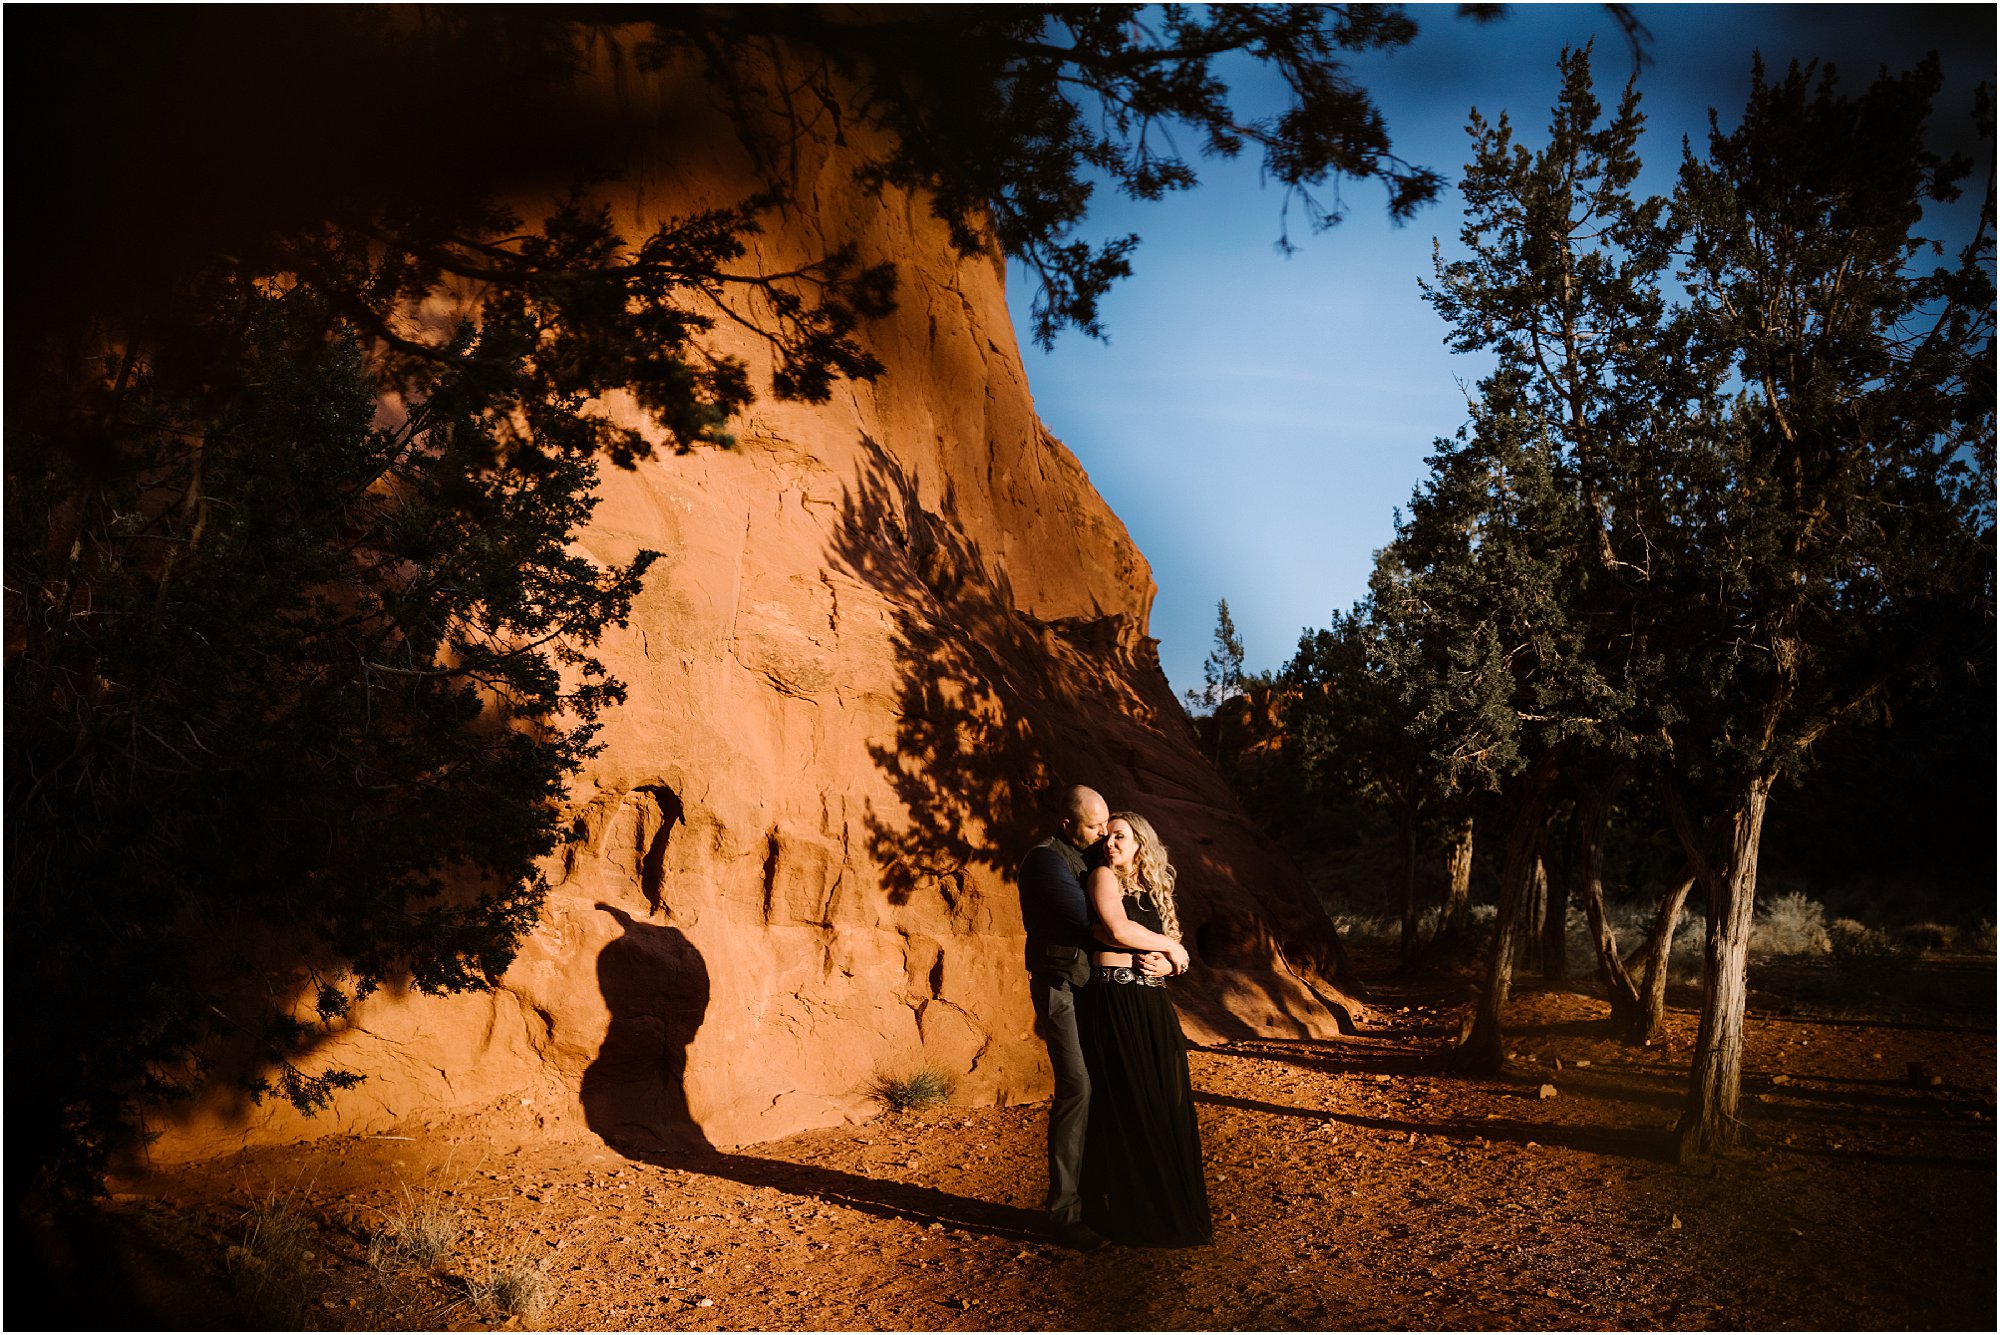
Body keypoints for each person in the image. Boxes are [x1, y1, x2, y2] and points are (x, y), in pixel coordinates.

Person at [1017, 785, 1169, 1251]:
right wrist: (1170, 948)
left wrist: (1168, 962)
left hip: (1100, 992)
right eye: (1093, 826)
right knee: (1078, 1088)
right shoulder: (1047, 861)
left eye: (1107, 825)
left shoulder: (1095, 862)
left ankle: (1106, 1198)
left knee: (1109, 1084)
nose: (1104, 833)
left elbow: (1143, 919)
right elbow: (1098, 922)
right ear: (1066, 824)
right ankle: (1065, 1214)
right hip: (1063, 988)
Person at [1076, 811, 1212, 1247]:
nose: (1110, 843)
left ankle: (1171, 1209)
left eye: (1120, 837)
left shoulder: (1153, 889)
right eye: (1107, 836)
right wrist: (1173, 948)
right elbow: (1116, 929)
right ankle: (1134, 1214)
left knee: (1165, 1098)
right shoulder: (1102, 877)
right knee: (1131, 1098)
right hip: (1114, 1000)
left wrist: (1170, 962)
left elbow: (1150, 938)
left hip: (1151, 1000)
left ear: (1140, 844)